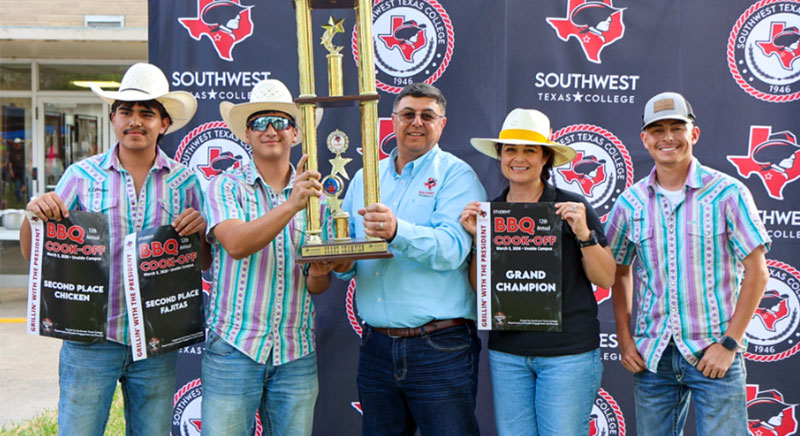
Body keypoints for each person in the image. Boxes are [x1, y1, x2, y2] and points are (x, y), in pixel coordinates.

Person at [19, 62, 207, 435]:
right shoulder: (80, 177)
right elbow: (34, 254)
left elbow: (203, 262)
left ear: (164, 124)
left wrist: (199, 233)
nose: (135, 121)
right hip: (90, 340)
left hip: (156, 343)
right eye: (126, 111)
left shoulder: (187, 183)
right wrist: (33, 215)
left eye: (146, 113)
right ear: (113, 119)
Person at [605, 91, 771, 436]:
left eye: (676, 128)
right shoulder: (630, 203)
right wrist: (624, 339)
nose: (667, 138)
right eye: (657, 130)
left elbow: (758, 273)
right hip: (653, 357)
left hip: (715, 353)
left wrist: (729, 344)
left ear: (693, 133)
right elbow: (618, 272)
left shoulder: (728, 193)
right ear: (645, 140)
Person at [336, 82, 487, 436]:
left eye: (427, 116)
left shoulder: (457, 175)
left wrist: (396, 231)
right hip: (375, 345)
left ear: (442, 125)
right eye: (407, 114)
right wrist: (338, 263)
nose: (416, 122)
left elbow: (453, 249)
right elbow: (350, 256)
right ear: (393, 121)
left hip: (439, 346)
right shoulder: (364, 178)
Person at [201, 79, 347, 436]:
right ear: (246, 135)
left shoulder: (317, 197)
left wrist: (320, 271)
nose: (270, 130)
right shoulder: (225, 185)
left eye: (280, 122)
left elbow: (317, 285)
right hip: (235, 346)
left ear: (296, 134)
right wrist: (291, 204)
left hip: (295, 351)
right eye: (260, 123)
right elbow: (236, 244)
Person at [460, 108, 616, 436]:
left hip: (567, 354)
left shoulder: (571, 208)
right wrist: (478, 241)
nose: (519, 158)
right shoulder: (490, 213)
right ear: (500, 156)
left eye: (529, 150)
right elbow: (481, 289)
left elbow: (605, 278)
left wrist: (584, 234)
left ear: (545, 158)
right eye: (510, 150)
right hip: (509, 354)